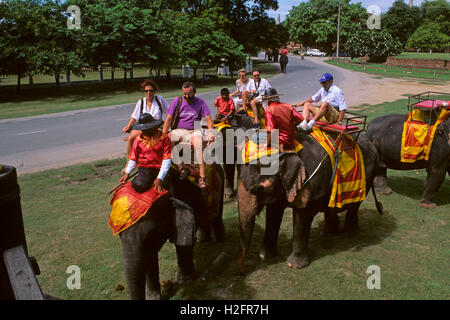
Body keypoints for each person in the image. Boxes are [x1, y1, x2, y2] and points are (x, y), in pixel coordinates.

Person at [162, 81, 215, 188]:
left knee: (199, 143)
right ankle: (181, 168)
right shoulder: (177, 101)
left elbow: (208, 119)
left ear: (195, 92)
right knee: (168, 139)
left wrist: (210, 133)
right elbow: (168, 119)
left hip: (193, 131)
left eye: (189, 93)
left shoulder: (201, 102)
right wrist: (163, 134)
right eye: (184, 93)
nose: (186, 96)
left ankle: (202, 177)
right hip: (179, 130)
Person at [119, 113, 172, 194]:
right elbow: (133, 159)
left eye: (147, 129)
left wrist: (160, 178)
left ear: (153, 127)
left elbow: (166, 160)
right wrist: (128, 172)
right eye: (143, 129)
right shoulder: (138, 140)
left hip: (160, 168)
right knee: (140, 185)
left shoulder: (164, 138)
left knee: (166, 188)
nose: (144, 131)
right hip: (145, 168)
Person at [123, 79, 170, 166]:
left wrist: (166, 127)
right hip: (144, 128)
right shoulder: (141, 102)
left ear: (154, 91)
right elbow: (134, 116)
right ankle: (128, 162)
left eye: (150, 90)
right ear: (144, 92)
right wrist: (128, 126)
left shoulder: (159, 100)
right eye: (146, 91)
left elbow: (170, 113)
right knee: (130, 138)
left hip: (156, 127)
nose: (148, 93)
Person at [263, 88, 304, 152]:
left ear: (268, 100)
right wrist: (293, 126)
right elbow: (300, 118)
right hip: (292, 136)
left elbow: (271, 130)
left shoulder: (269, 110)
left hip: (281, 140)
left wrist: (267, 144)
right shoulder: (288, 105)